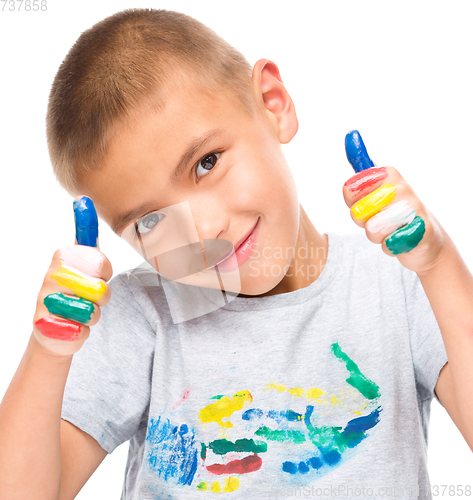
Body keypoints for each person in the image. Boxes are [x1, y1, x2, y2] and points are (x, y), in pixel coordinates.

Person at [0, 7, 471, 500]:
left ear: (273, 102)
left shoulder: (395, 282)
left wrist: (437, 265)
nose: (203, 233)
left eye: (206, 163)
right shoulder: (142, 314)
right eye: (151, 222)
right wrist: (48, 352)